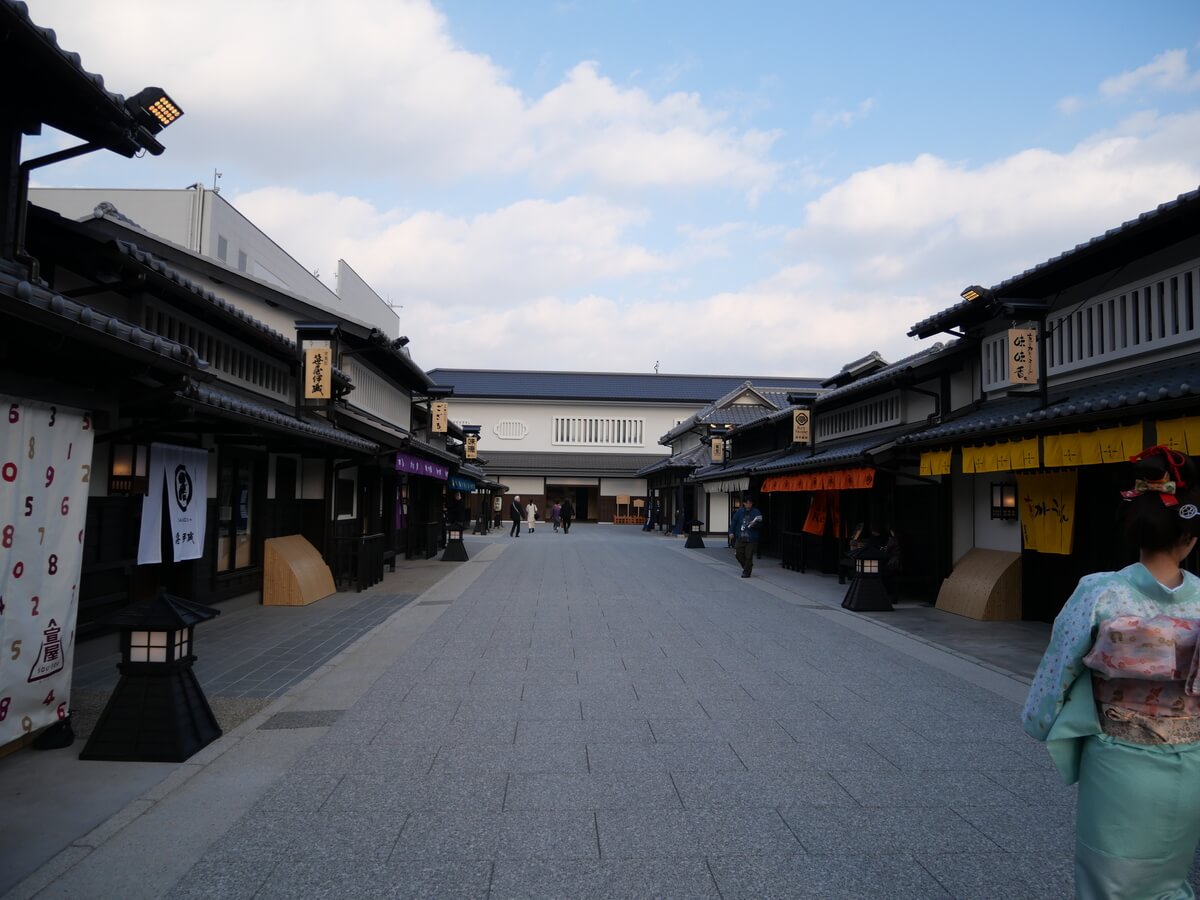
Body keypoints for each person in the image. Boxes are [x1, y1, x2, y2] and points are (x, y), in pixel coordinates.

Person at [1023, 445, 1200, 898]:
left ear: (1134, 530)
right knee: (1169, 878)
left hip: (1120, 758)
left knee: (1110, 882)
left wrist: (1041, 722)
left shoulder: (1100, 592)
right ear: (1190, 539)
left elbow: (1058, 669)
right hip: (1192, 762)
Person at [735, 495, 763, 577]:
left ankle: (746, 572)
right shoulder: (739, 512)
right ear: (743, 503)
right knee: (738, 554)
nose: (748, 505)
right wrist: (731, 532)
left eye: (750, 503)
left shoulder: (756, 512)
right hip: (740, 536)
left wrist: (754, 525)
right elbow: (734, 522)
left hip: (751, 538)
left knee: (748, 555)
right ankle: (747, 567)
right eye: (746, 503)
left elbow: (761, 525)